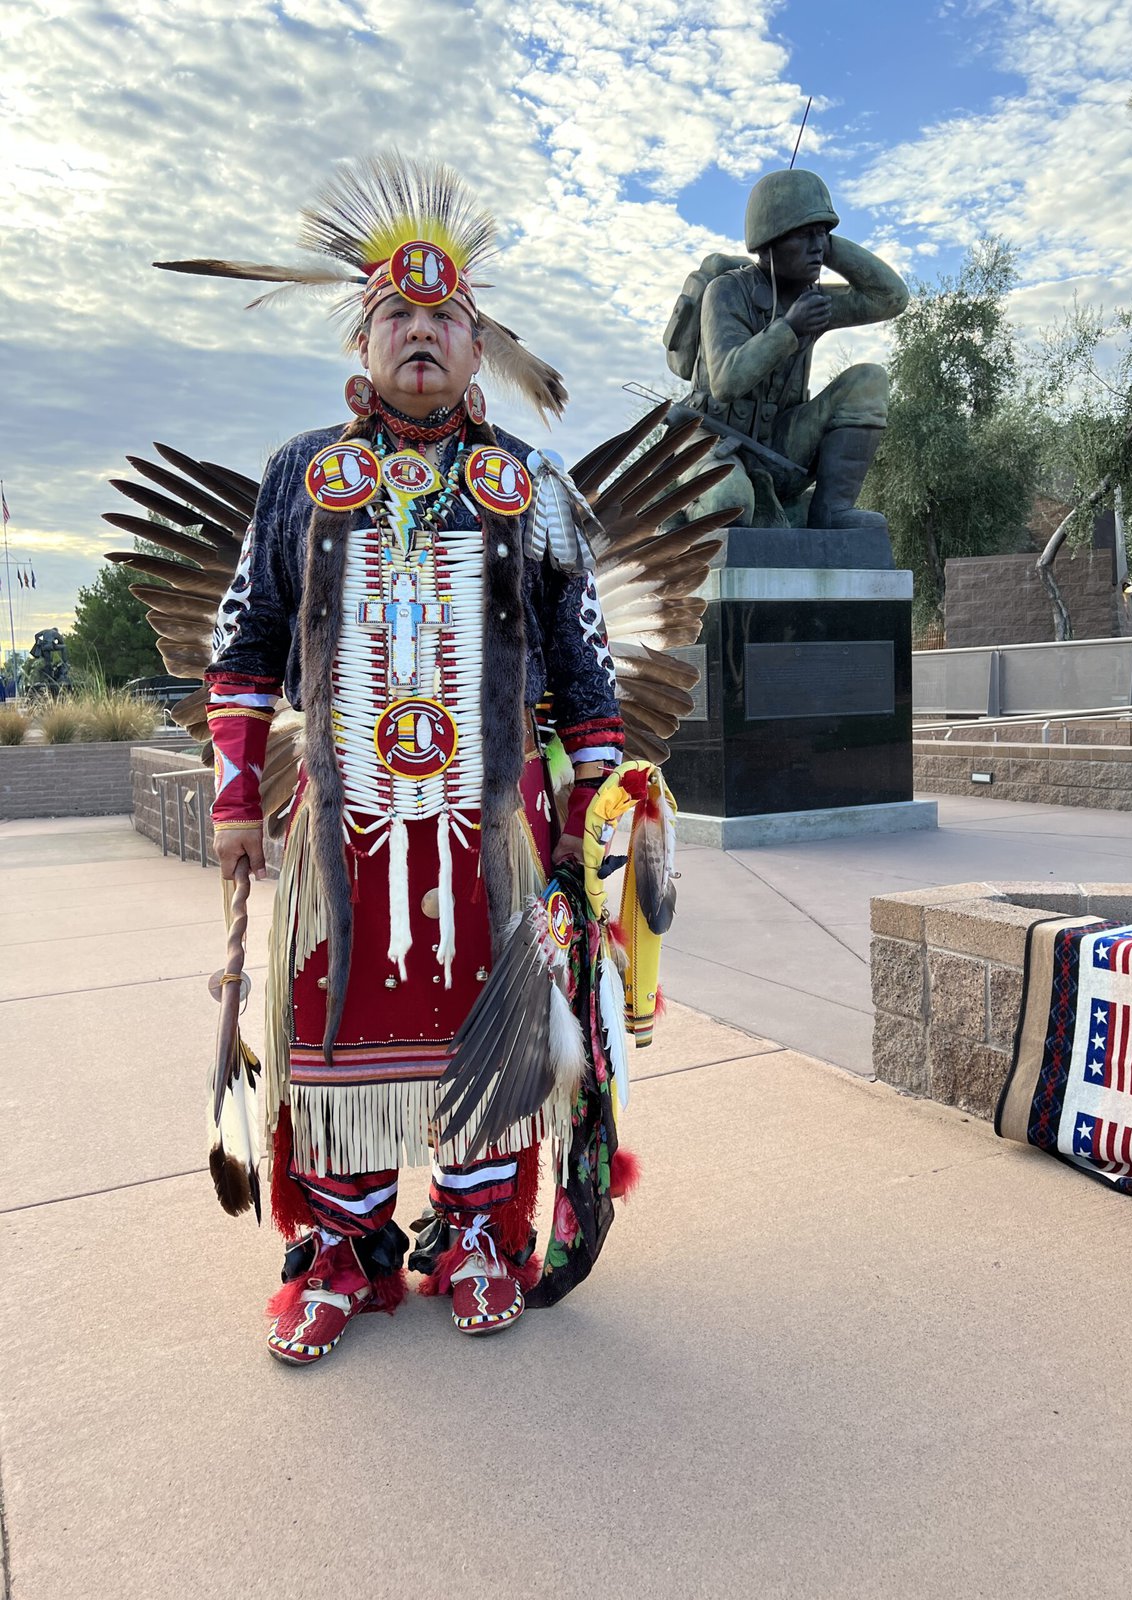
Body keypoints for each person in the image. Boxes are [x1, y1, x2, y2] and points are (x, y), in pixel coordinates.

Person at [176, 155, 631, 1361]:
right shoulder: (301, 476)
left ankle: (478, 1232)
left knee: (494, 1023)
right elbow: (245, 641)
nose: (421, 335)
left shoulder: (525, 485)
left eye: (445, 321)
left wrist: (597, 801)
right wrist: (233, 794)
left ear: (479, 352)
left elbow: (585, 664)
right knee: (333, 1030)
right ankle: (341, 1249)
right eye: (398, 317)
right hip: (348, 827)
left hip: (496, 825)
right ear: (365, 341)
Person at [668, 169, 909, 532]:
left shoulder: (812, 298)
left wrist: (829, 249)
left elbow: (889, 298)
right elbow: (725, 382)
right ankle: (681, 509)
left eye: (823, 235)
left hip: (777, 445)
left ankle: (831, 510)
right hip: (711, 438)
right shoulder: (726, 291)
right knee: (729, 504)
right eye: (805, 235)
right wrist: (790, 328)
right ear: (771, 238)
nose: (818, 245)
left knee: (868, 380)